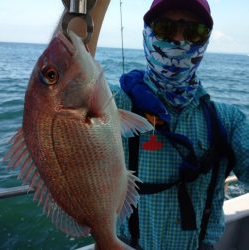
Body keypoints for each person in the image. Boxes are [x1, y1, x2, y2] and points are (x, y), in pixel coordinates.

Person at [57, 0, 249, 249]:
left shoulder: (228, 120)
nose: (179, 40)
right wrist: (88, 5)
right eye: (164, 28)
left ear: (206, 40)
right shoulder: (115, 104)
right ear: (147, 34)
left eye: (195, 32)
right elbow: (67, 80)